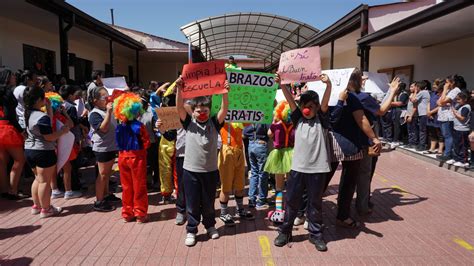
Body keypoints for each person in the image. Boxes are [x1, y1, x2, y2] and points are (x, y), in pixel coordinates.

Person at [273, 73, 331, 252]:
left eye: (311, 106)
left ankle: (316, 235)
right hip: (298, 168)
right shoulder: (297, 118)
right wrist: (282, 84)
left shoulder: (321, 119)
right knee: (291, 201)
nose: (307, 109)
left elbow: (325, 104)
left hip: (318, 169)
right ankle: (285, 231)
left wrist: (328, 85)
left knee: (315, 203)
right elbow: (290, 101)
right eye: (305, 106)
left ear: (316, 107)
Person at [176, 77, 229, 247]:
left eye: (205, 109)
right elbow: (179, 107)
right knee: (192, 203)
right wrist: (179, 89)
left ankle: (210, 226)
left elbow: (224, 109)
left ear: (209, 109)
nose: (202, 113)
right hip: (190, 171)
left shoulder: (214, 123)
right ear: (193, 111)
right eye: (198, 110)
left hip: (210, 171)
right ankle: (192, 230)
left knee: (208, 202)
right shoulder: (188, 123)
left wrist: (225, 94)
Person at [24, 86, 69, 218]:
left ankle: (36, 206)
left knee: (38, 179)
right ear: (39, 99)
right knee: (44, 181)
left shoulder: (29, 113)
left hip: (29, 150)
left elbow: (45, 125)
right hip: (43, 151)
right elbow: (48, 136)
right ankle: (46, 209)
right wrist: (63, 132)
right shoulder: (40, 117)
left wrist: (48, 109)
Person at [114, 92, 150, 223]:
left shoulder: (119, 127)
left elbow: (117, 143)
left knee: (126, 186)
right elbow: (146, 142)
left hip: (123, 157)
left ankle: (127, 213)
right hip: (137, 157)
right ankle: (140, 214)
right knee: (139, 185)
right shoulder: (139, 126)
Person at [88, 86, 120, 212]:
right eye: (104, 97)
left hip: (110, 146)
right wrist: (108, 112)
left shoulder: (106, 110)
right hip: (102, 148)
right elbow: (103, 128)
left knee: (107, 174)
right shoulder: (94, 114)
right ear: (95, 100)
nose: (107, 99)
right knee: (102, 174)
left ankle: (106, 195)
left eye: (108, 96)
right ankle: (99, 201)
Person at [218, 121, 255, 226]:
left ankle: (240, 209)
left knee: (240, 184)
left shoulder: (240, 115)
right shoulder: (224, 115)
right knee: (226, 185)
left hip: (239, 150)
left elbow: (248, 122)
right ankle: (223, 213)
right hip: (227, 150)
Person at [264, 101, 295, 224]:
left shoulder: (276, 125)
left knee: (279, 186)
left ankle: (278, 211)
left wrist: (273, 122)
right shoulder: (295, 126)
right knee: (291, 185)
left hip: (278, 154)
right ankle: (290, 210)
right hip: (292, 154)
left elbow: (269, 134)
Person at [0, 68, 26, 200]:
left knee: (2, 162)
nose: (15, 78)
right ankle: (13, 190)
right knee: (19, 160)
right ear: (7, 78)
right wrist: (21, 130)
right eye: (12, 76)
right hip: (7, 128)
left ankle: (5, 190)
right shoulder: (8, 93)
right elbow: (10, 115)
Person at [59, 85, 84, 198]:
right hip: (72, 137)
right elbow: (74, 122)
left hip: (63, 138)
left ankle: (65, 186)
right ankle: (74, 186)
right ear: (70, 95)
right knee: (73, 164)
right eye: (74, 95)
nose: (75, 97)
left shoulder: (60, 105)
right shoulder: (71, 107)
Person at [437, 74, 466, 161]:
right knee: (446, 135)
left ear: (452, 82)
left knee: (448, 136)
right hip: (443, 116)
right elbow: (438, 102)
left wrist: (445, 90)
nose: (445, 84)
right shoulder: (450, 90)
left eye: (447, 82)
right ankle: (449, 153)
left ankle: (447, 154)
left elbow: (442, 102)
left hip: (448, 116)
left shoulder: (455, 90)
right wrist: (444, 96)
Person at [243, 123, 270, 209]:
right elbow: (270, 132)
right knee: (263, 173)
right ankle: (261, 200)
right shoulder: (265, 117)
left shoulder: (251, 117)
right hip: (261, 143)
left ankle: (252, 199)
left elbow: (244, 133)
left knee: (254, 172)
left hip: (251, 144)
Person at [450, 92, 471, 167]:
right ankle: (456, 158)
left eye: (459, 99)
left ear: (465, 99)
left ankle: (463, 160)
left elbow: (462, 118)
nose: (457, 101)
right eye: (456, 99)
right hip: (457, 128)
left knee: (462, 145)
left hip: (463, 129)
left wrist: (454, 112)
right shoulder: (460, 106)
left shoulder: (466, 107)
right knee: (456, 144)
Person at [410, 80, 431, 151]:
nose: (415, 88)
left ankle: (422, 145)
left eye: (416, 87)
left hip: (423, 113)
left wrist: (415, 92)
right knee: (423, 130)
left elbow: (413, 100)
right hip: (423, 113)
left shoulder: (422, 92)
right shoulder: (426, 92)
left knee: (422, 130)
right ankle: (423, 144)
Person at [425, 79, 444, 155]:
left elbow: (440, 105)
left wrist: (431, 112)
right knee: (432, 132)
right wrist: (428, 112)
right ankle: (432, 148)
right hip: (430, 116)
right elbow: (429, 102)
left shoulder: (442, 94)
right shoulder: (432, 93)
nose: (433, 86)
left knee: (440, 133)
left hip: (437, 115)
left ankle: (440, 149)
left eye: (435, 85)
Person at [406, 82, 419, 149]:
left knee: (413, 130)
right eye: (410, 86)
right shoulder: (411, 94)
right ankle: (410, 142)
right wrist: (406, 114)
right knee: (409, 130)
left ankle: (414, 143)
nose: (410, 88)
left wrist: (411, 116)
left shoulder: (416, 95)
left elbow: (415, 107)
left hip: (413, 115)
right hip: (409, 114)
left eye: (412, 86)